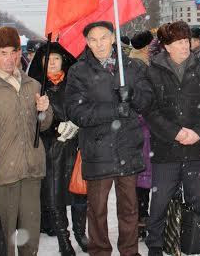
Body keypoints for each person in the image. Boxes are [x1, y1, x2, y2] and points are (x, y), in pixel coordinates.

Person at [66, 21, 153, 256]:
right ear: (86, 42)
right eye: (93, 40)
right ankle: (100, 251)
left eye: (103, 38)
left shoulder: (132, 67)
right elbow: (76, 112)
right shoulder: (78, 71)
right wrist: (115, 110)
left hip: (127, 147)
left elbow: (147, 101)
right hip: (97, 150)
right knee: (97, 210)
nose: (99, 44)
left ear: (113, 38)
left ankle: (129, 251)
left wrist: (132, 96)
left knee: (129, 208)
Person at [0, 26, 53, 256]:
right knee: (3, 238)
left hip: (31, 170)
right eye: (3, 53)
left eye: (14, 51)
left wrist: (44, 112)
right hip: (1, 174)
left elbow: (43, 125)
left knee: (30, 235)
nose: (11, 58)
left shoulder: (33, 84)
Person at [143, 21, 200, 256]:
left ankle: (195, 240)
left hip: (196, 147)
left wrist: (197, 132)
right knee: (160, 202)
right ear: (167, 46)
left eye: (186, 41)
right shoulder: (153, 70)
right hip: (166, 149)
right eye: (177, 42)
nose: (184, 46)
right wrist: (175, 132)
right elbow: (150, 110)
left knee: (198, 199)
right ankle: (155, 244)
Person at [28, 41, 88, 255]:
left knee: (80, 192)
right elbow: (31, 119)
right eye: (47, 60)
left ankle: (81, 234)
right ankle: (64, 241)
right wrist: (54, 126)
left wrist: (76, 124)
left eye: (56, 59)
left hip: (76, 147)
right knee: (55, 198)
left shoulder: (74, 82)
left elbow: (84, 107)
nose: (52, 63)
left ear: (63, 60)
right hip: (50, 149)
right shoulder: (35, 85)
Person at [128, 29, 155, 240]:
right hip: (143, 129)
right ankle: (142, 220)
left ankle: (141, 219)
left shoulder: (133, 64)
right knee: (143, 179)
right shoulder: (140, 66)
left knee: (142, 180)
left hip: (143, 129)